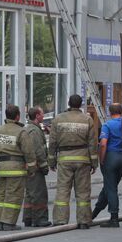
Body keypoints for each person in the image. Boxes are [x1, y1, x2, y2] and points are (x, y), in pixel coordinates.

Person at [48, 95, 98, 229]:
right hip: (82, 159)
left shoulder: (58, 119)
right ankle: (84, 221)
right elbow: (92, 144)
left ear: (69, 103)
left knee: (63, 190)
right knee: (83, 192)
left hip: (64, 159)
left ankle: (60, 220)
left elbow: (52, 142)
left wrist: (51, 161)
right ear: (80, 104)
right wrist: (94, 163)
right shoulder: (87, 119)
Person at [0, 104, 37, 231]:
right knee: (14, 196)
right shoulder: (21, 132)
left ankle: (0, 221)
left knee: (2, 195)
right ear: (18, 116)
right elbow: (29, 152)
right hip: (16, 169)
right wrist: (32, 169)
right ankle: (8, 223)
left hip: (1, 168)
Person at [92, 103, 122, 227]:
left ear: (110, 112)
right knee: (109, 186)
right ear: (121, 111)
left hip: (111, 158)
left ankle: (114, 218)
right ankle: (94, 213)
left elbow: (103, 143)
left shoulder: (107, 125)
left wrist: (101, 159)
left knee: (111, 188)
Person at [22, 107, 51, 227]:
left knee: (30, 194)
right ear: (37, 115)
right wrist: (45, 167)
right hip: (36, 167)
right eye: (42, 114)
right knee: (39, 193)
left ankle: (28, 218)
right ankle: (40, 219)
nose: (43, 116)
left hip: (29, 167)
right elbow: (39, 151)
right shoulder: (34, 131)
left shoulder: (29, 128)